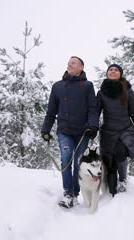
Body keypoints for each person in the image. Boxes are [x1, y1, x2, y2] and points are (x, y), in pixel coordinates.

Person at [41, 56, 99, 208]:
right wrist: (46, 129)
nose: (69, 64)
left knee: (78, 163)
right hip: (64, 130)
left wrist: (93, 126)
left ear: (81, 67)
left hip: (82, 132)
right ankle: (68, 193)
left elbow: (93, 109)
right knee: (66, 159)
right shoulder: (58, 86)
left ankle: (75, 193)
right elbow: (51, 111)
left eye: (73, 62)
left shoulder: (87, 86)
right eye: (68, 63)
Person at [97, 64, 134, 196]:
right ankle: (110, 186)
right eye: (110, 70)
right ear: (107, 73)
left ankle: (123, 179)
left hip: (125, 130)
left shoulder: (127, 91)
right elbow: (95, 113)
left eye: (116, 70)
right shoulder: (101, 93)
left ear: (120, 74)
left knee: (120, 153)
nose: (113, 71)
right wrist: (91, 128)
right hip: (108, 132)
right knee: (109, 163)